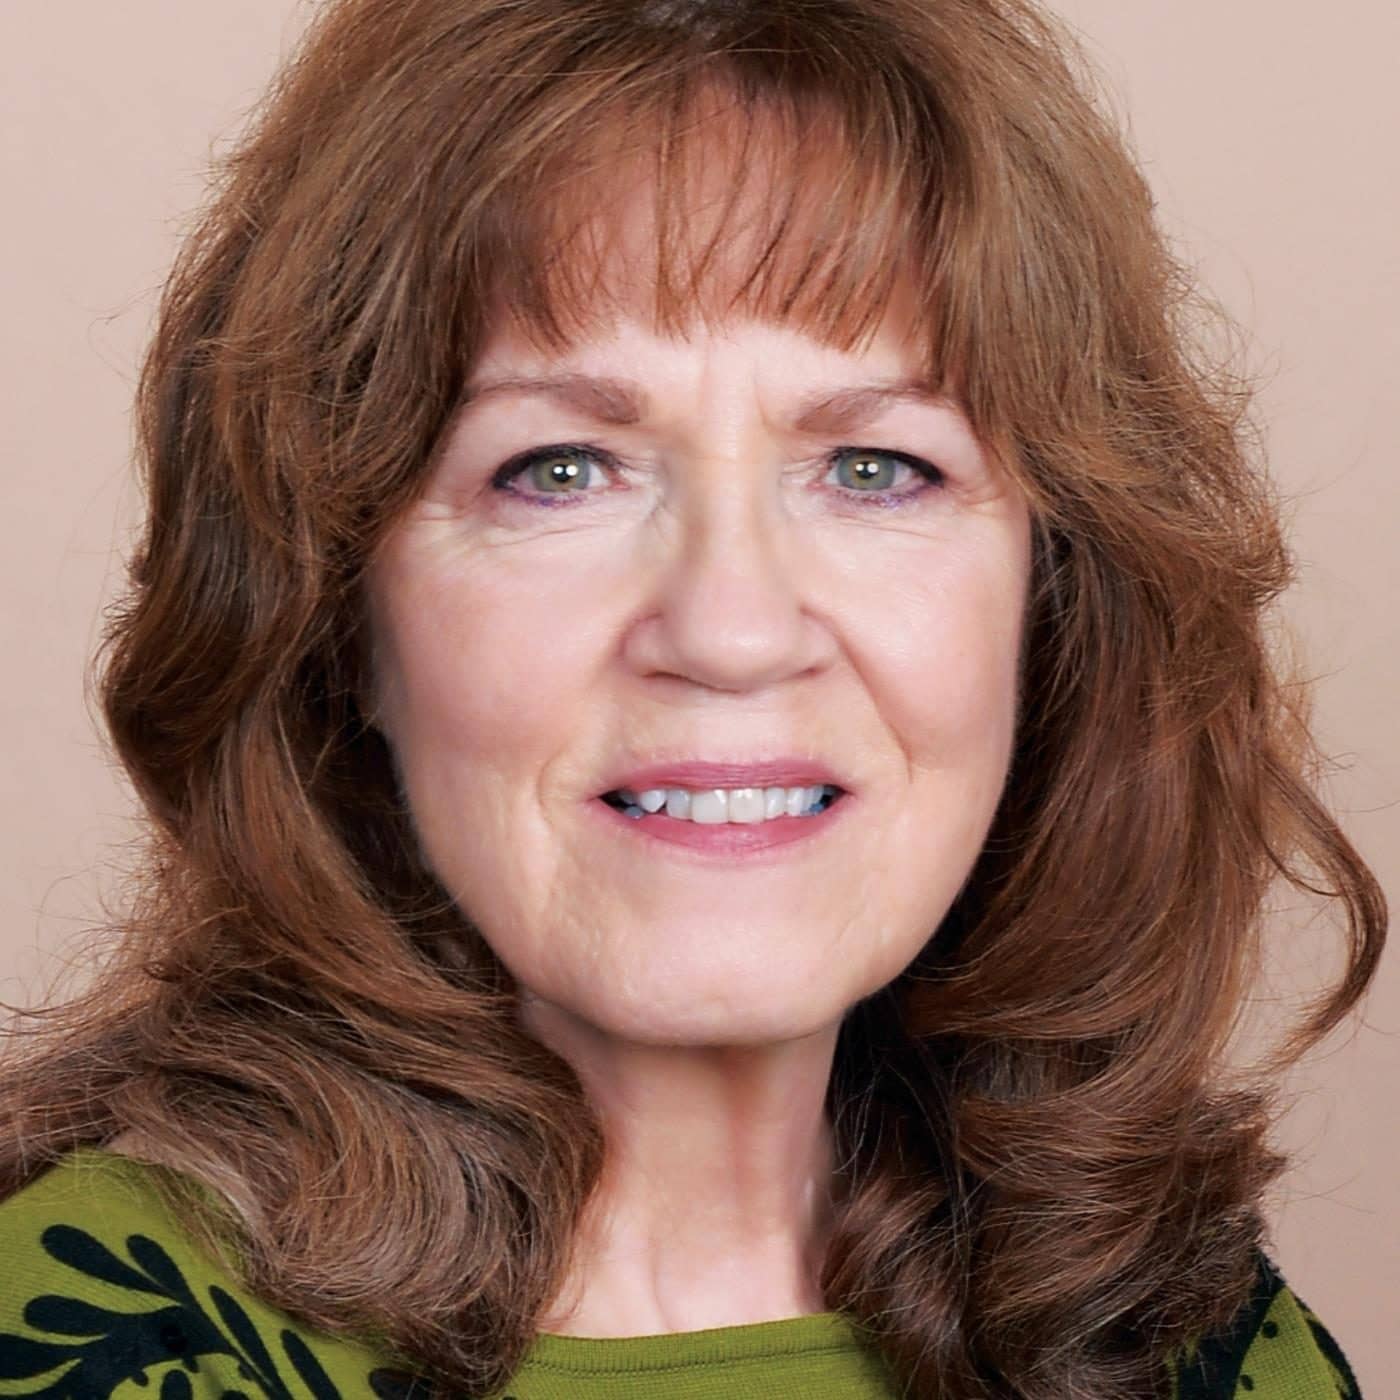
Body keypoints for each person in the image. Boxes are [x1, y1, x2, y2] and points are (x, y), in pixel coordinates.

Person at [0, 0, 1386, 1396]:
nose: (732, 631)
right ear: (337, 614)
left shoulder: (1195, 1346)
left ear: (1052, 604)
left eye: (875, 469)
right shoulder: (107, 1335)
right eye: (557, 470)